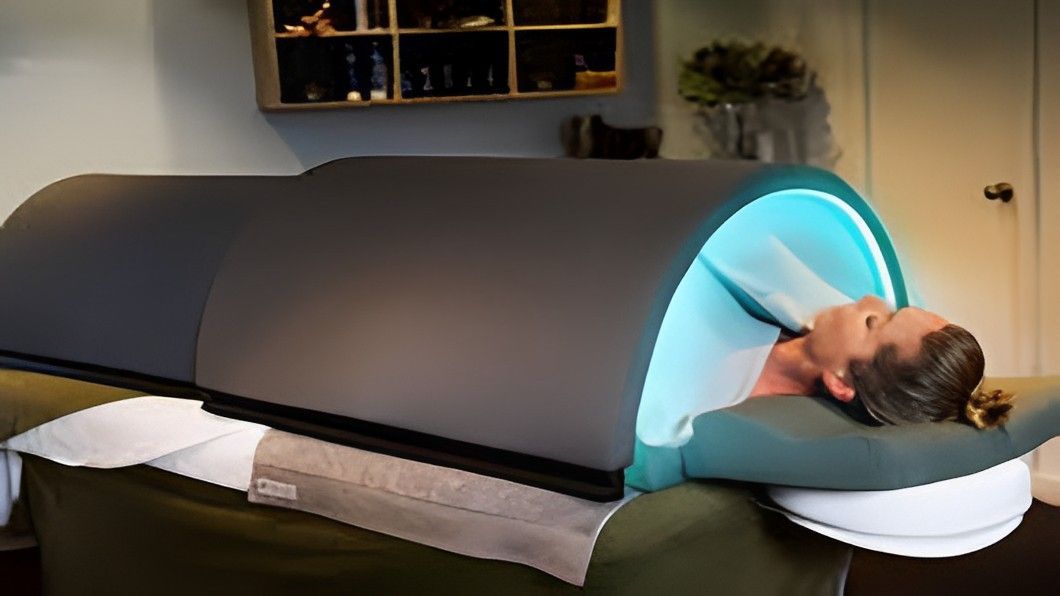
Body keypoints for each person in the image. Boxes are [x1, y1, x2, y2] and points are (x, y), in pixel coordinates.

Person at [748, 294, 1014, 429]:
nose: (869, 300)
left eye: (872, 323)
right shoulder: (774, 315)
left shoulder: (720, 382)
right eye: (892, 310)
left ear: (840, 381)